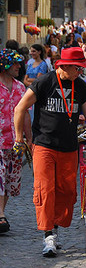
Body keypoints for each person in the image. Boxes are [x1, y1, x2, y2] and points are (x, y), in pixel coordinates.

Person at [14, 47, 86, 257]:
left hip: (69, 146)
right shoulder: (45, 82)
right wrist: (19, 138)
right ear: (65, 66)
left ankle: (55, 229)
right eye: (77, 68)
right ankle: (48, 234)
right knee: (45, 189)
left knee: (67, 192)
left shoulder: (80, 86)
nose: (80, 72)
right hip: (44, 145)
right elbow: (20, 108)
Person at [0, 49, 32, 233]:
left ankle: (1, 212)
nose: (19, 66)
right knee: (0, 176)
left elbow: (26, 114)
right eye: (15, 63)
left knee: (10, 181)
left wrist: (29, 140)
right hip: (0, 140)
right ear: (5, 65)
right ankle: (1, 215)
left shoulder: (20, 87)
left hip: (15, 142)